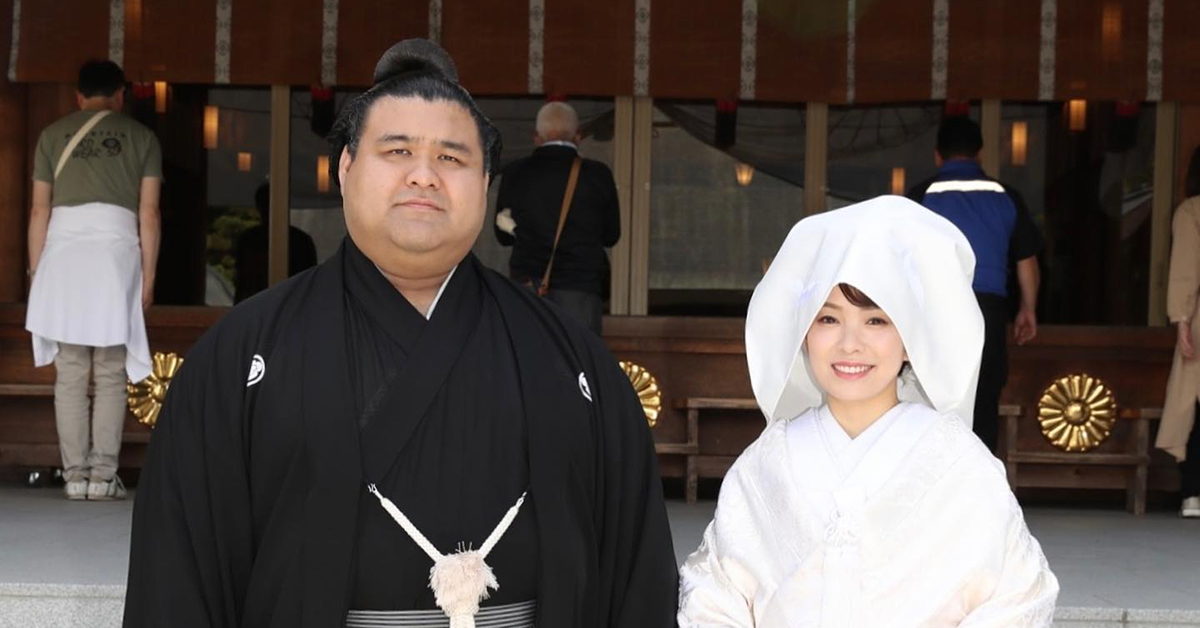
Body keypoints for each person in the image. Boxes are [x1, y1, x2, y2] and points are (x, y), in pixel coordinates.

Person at [123, 39, 677, 628]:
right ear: (345, 168)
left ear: (485, 181)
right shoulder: (242, 355)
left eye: (451, 158)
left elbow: (635, 570)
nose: (423, 175)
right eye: (397, 151)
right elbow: (176, 571)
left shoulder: (569, 357)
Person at [678, 196, 1059, 627]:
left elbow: (1018, 596)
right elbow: (714, 595)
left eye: (876, 320)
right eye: (828, 319)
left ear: (911, 338)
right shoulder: (767, 463)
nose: (849, 344)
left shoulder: (959, 462)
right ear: (804, 332)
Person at [25, 59, 162, 501]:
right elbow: (149, 213)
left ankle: (75, 475)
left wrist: (36, 272)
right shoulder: (142, 137)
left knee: (70, 371)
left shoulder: (52, 135)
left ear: (78, 96)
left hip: (62, 255)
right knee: (109, 369)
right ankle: (103, 477)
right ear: (120, 95)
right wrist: (149, 276)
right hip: (114, 255)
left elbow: (39, 210)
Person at [909, 116, 1043, 453]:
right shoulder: (1005, 196)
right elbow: (1026, 260)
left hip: (936, 310)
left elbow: (902, 263)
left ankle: (932, 475)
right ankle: (979, 477)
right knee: (983, 400)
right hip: (988, 311)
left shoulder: (921, 196)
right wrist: (1028, 309)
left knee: (931, 398)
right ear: (980, 153)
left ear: (938, 155)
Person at [494, 101, 620, 335]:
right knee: (579, 356)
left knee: (529, 354)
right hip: (581, 289)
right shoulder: (597, 175)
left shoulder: (516, 173)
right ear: (578, 135)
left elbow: (503, 238)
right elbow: (612, 235)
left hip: (528, 288)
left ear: (536, 137)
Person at [1158, 146, 1200, 519]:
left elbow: (1186, 268)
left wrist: (1181, 319)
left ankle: (1192, 492)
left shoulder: (1192, 211)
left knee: (1193, 405)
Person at [233, 182, 318, 303]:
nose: (268, 210)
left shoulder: (301, 241)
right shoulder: (248, 240)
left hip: (289, 304)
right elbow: (241, 281)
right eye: (265, 205)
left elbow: (309, 281)